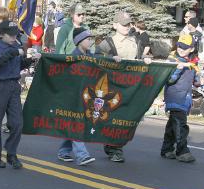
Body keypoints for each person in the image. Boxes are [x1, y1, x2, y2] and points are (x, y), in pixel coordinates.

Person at [96, 11, 151, 162]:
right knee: (115, 118)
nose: (127, 26)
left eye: (128, 23)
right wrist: (110, 58)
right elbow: (96, 58)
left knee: (126, 118)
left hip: (130, 87)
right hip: (112, 88)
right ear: (115, 25)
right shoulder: (107, 43)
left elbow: (139, 58)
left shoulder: (135, 41)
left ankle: (115, 145)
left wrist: (145, 59)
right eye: (123, 24)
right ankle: (114, 148)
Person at [0, 20, 40, 169]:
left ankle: (11, 153)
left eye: (15, 34)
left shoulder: (15, 46)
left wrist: (30, 60)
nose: (13, 37)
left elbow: (19, 64)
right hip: (0, 86)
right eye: (10, 35)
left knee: (17, 123)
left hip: (13, 86)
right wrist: (14, 52)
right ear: (2, 34)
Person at [57, 28, 96, 165]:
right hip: (73, 96)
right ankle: (82, 155)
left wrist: (114, 59)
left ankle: (63, 151)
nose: (90, 41)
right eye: (88, 39)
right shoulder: (73, 57)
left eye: (91, 38)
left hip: (86, 96)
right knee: (77, 124)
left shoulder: (91, 56)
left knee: (76, 124)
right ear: (79, 41)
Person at [161, 35, 200, 163]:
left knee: (173, 124)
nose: (181, 49)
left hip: (185, 97)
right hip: (175, 96)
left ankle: (166, 149)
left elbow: (195, 79)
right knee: (180, 125)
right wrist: (178, 69)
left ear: (191, 48)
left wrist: (199, 80)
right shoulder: (173, 60)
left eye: (184, 47)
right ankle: (182, 151)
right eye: (179, 46)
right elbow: (169, 80)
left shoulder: (192, 61)